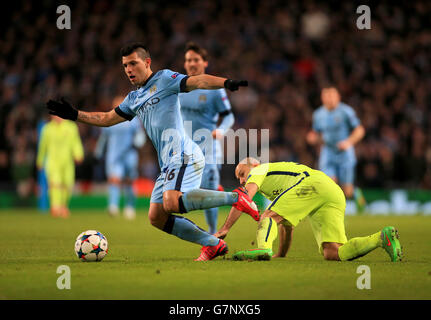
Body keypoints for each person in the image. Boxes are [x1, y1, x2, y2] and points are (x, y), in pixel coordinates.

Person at [46, 42, 258, 261]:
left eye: (133, 63)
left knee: (171, 202)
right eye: (125, 65)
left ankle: (236, 197)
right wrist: (75, 114)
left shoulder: (165, 79)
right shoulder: (133, 98)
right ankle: (213, 244)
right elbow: (107, 118)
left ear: (147, 63)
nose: (129, 69)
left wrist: (226, 82)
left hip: (183, 153)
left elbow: (198, 80)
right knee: (157, 216)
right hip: (168, 162)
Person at [214, 158, 403, 262]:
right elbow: (286, 226)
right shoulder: (275, 186)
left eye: (242, 174)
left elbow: (243, 198)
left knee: (267, 216)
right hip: (331, 190)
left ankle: (263, 249)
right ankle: (381, 238)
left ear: (253, 166)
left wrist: (225, 228)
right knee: (333, 252)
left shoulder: (259, 169)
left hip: (311, 184)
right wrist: (282, 255)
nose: (241, 180)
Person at [179, 42, 235, 234]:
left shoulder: (214, 89)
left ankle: (212, 232)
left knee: (208, 187)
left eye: (195, 59)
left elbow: (229, 115)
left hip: (208, 147)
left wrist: (221, 130)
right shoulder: (180, 87)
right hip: (184, 148)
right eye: (188, 60)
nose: (191, 63)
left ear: (205, 63)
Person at [306, 86, 366, 213]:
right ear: (322, 98)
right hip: (328, 152)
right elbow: (315, 133)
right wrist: (312, 138)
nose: (330, 99)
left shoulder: (346, 111)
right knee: (329, 184)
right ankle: (331, 211)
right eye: (326, 96)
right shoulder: (318, 114)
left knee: (347, 190)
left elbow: (360, 130)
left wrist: (349, 142)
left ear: (338, 97)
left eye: (332, 96)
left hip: (345, 153)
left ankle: (355, 193)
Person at [94, 95, 146, 219]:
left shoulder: (132, 119)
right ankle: (113, 206)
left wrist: (139, 142)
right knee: (114, 180)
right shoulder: (110, 119)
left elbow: (140, 134)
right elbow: (104, 138)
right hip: (114, 155)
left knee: (129, 181)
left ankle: (130, 206)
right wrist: (99, 151)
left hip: (129, 155)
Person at [36, 115, 84, 218]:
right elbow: (43, 145)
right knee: (55, 183)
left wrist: (78, 154)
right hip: (52, 161)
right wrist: (40, 160)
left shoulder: (71, 127)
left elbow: (76, 142)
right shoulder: (47, 128)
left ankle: (63, 206)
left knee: (67, 184)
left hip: (67, 161)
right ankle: (55, 206)